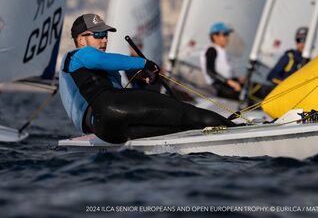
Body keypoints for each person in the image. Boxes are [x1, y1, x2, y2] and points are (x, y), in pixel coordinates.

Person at [59, 13, 235, 144]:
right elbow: (97, 60)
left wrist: (141, 76)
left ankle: (223, 128)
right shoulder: (78, 55)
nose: (104, 39)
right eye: (97, 35)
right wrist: (144, 63)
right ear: (81, 40)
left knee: (180, 128)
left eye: (105, 35)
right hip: (110, 108)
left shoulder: (83, 67)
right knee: (190, 114)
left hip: (104, 130)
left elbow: (102, 71)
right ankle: (235, 130)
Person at [200, 22, 244, 100]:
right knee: (243, 96)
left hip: (226, 84)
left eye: (227, 35)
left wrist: (237, 79)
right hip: (218, 86)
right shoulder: (211, 50)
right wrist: (231, 82)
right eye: (225, 34)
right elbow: (210, 71)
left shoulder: (222, 50)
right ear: (215, 36)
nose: (227, 37)